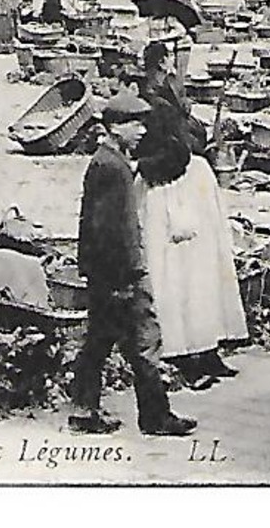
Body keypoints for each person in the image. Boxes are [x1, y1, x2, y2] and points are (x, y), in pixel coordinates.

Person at [69, 88, 197, 438]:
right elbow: (114, 228)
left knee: (99, 342)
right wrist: (128, 276)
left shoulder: (108, 161)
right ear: (115, 127)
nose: (142, 130)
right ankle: (155, 417)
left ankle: (84, 411)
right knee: (145, 341)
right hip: (120, 274)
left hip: (106, 274)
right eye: (134, 124)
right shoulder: (113, 167)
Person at [136, 44, 246, 388]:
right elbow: (174, 141)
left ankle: (208, 347)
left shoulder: (168, 91)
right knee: (175, 275)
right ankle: (184, 353)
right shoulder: (152, 101)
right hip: (166, 182)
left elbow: (188, 134)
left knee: (205, 272)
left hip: (186, 176)